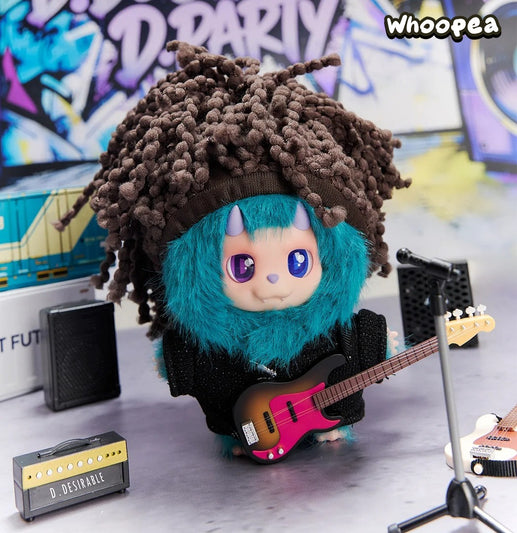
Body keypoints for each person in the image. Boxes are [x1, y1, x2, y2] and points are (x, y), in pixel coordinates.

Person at [57, 41, 410, 458]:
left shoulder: (333, 332)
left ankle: (330, 423)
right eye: (243, 266)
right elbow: (179, 364)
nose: (273, 281)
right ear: (197, 270)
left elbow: (365, 347)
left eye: (298, 261)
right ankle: (238, 434)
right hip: (246, 431)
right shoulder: (210, 349)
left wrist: (377, 344)